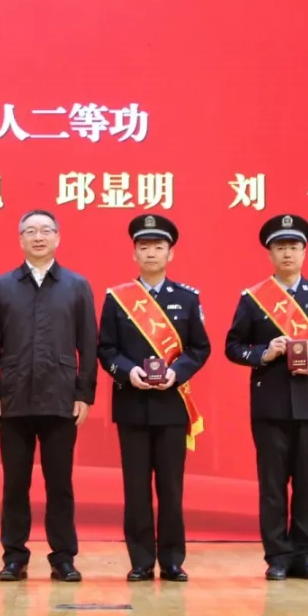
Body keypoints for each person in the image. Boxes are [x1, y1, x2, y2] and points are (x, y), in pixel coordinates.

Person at [224, 214, 308, 581]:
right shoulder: (253, 299)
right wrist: (264, 353)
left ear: (304, 252)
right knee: (273, 486)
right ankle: (278, 556)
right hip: (270, 405)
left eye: (294, 247)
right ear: (269, 254)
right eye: (280, 248)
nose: (287, 254)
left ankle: (305, 556)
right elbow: (233, 346)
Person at [0, 209, 98, 582]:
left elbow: (88, 345)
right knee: (15, 484)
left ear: (58, 238)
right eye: (30, 231)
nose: (38, 237)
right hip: (13, 398)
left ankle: (63, 557)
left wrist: (85, 394)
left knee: (60, 484)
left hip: (61, 398)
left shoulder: (76, 285)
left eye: (46, 230)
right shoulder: (3, 285)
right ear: (20, 240)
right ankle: (14, 556)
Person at [97, 214, 211, 582]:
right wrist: (128, 372)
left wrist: (178, 373)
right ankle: (141, 560)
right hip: (131, 404)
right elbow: (105, 349)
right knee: (136, 489)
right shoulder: (117, 299)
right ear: (134, 253)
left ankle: (172, 560)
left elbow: (200, 348)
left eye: (158, 247)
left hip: (172, 406)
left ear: (170, 253)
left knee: (171, 488)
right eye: (143, 247)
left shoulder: (187, 298)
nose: (150, 253)